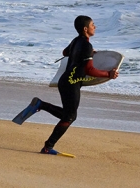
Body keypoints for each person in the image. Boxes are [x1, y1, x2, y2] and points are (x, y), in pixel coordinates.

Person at [14, 15, 118, 154]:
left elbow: (65, 52)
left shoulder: (76, 41)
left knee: (68, 115)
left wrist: (86, 53)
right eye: (93, 25)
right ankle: (47, 146)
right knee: (70, 116)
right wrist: (108, 74)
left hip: (65, 81)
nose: (95, 27)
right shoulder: (86, 45)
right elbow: (90, 70)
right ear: (86, 29)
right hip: (71, 83)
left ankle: (41, 107)